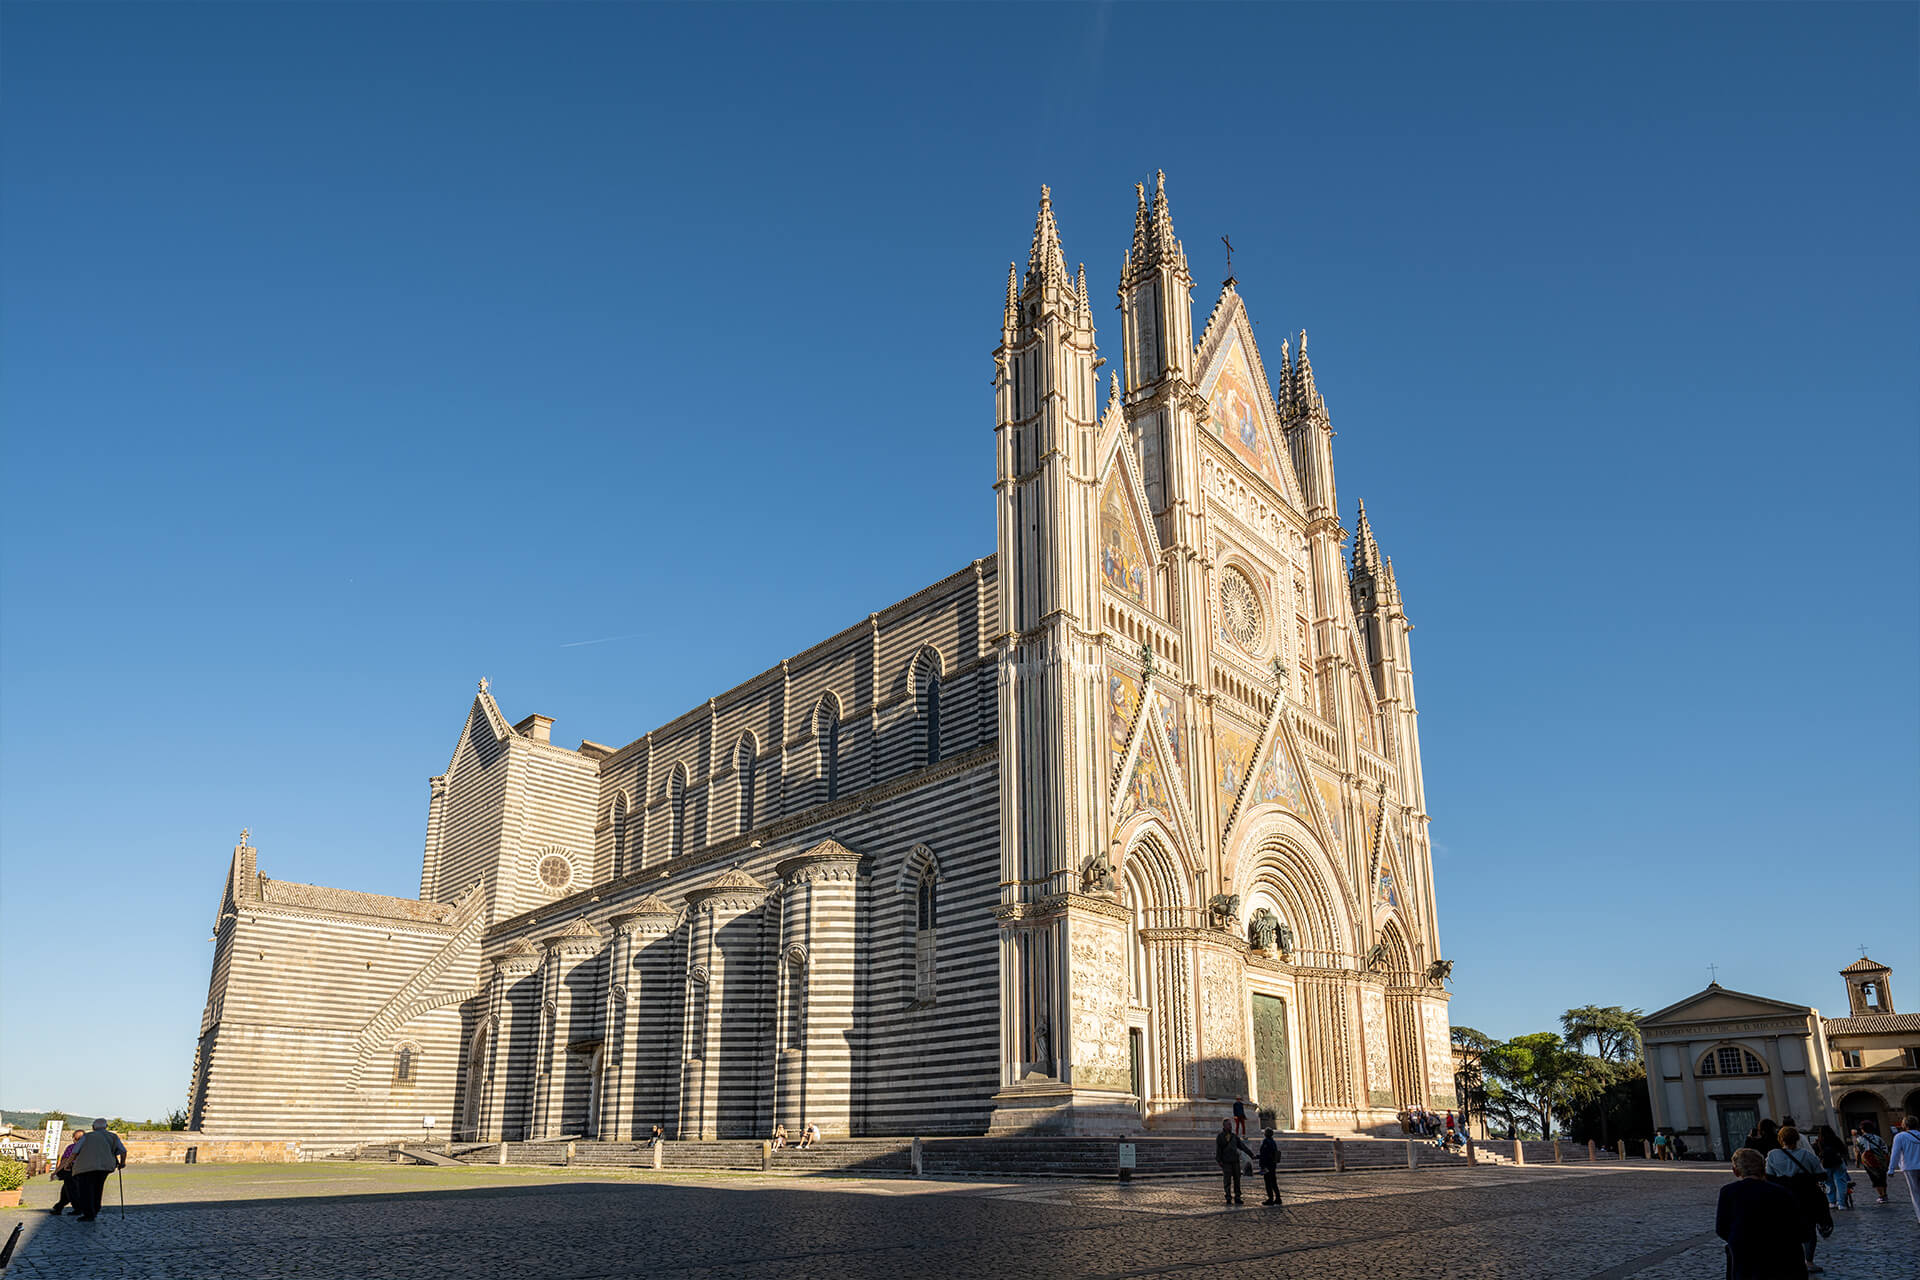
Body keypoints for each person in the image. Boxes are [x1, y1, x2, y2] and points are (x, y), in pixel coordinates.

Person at [1717, 1147, 1809, 1280]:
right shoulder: (1783, 1193)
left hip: (1745, 1260)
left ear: (1735, 1171)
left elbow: (1722, 1228)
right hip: (1784, 1260)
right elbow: (1802, 1230)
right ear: (1764, 1169)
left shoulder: (1728, 1192)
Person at [1765, 1127, 1830, 1273]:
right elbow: (1821, 1175)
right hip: (1806, 1197)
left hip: (1782, 1198)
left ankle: (1788, 1261)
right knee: (1809, 1230)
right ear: (1797, 1139)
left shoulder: (1773, 1155)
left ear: (1780, 1139)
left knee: (1785, 1229)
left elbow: (1769, 1177)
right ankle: (1809, 1261)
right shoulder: (1807, 1155)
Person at [66, 1119, 126, 1222]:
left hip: (85, 1168)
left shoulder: (87, 1136)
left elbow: (75, 1151)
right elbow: (123, 1151)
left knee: (85, 1191)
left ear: (93, 1127)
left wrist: (68, 1164)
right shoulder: (113, 1136)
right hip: (104, 1167)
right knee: (98, 1188)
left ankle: (89, 1213)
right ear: (106, 1126)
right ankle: (96, 1209)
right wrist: (122, 1163)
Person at [1215, 1119, 1255, 1205]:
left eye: (1230, 1124)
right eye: (1228, 1125)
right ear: (1224, 1126)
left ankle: (1237, 1197)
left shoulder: (1234, 1136)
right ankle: (1228, 1197)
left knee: (1237, 1180)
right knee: (1227, 1180)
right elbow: (1219, 1149)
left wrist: (1251, 1154)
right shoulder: (1220, 1136)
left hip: (1235, 1161)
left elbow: (1242, 1146)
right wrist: (1219, 1160)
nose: (1230, 1126)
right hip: (1226, 1161)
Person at [1888, 1114, 1920, 1224]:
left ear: (1904, 1125)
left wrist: (1891, 1169)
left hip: (1909, 1167)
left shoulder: (1900, 1137)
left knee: (1915, 1193)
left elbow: (1895, 1153)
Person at [1812, 1125, 1850, 1209]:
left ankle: (1832, 1202)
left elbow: (1816, 1153)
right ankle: (1841, 1203)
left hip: (1825, 1164)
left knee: (1828, 1183)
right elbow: (1844, 1150)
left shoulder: (1819, 1141)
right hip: (1838, 1163)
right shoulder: (1836, 1139)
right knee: (1840, 1183)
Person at [48, 1129, 84, 1216]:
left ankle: (77, 1209)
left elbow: (64, 1161)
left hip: (70, 1171)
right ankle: (58, 1207)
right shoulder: (88, 1148)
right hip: (83, 1172)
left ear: (74, 1138)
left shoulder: (71, 1147)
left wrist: (55, 1172)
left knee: (71, 1191)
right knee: (67, 1190)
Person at [1855, 1119, 1890, 1205]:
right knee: (1882, 1177)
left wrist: (1857, 1162)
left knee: (1875, 1178)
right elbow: (1885, 1150)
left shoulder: (1859, 1139)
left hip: (1868, 1162)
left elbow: (1857, 1151)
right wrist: (1887, 1160)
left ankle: (1881, 1196)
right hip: (1881, 1161)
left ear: (1862, 1129)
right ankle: (1884, 1194)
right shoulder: (1878, 1138)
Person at [1256, 1126, 1282, 1206]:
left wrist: (1258, 1157)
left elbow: (1264, 1154)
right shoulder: (1273, 1142)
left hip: (1267, 1165)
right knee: (1274, 1182)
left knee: (1268, 1182)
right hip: (1273, 1164)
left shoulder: (1266, 1142)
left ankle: (1270, 1199)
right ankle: (1278, 1198)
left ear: (1265, 1134)